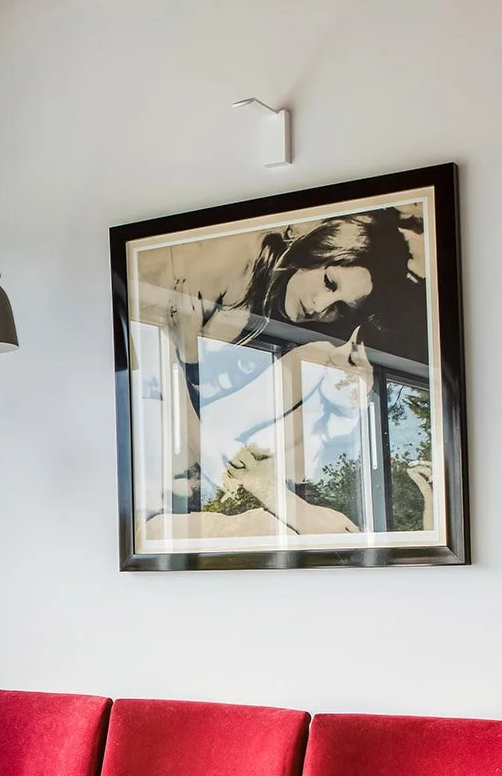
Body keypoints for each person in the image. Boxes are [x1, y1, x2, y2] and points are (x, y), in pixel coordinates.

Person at [130, 205, 428, 545]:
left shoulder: (337, 404)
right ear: (317, 252)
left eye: (341, 309)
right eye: (329, 282)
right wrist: (295, 510)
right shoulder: (309, 361)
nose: (318, 306)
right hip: (159, 469)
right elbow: (219, 451)